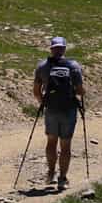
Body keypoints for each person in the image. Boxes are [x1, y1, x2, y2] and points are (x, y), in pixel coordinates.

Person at [33, 37, 84, 191]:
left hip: (51, 109)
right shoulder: (74, 66)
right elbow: (80, 90)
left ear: (51, 48)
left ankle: (50, 173)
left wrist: (44, 102)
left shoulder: (42, 66)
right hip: (68, 109)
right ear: (64, 49)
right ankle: (62, 178)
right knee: (66, 144)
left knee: (51, 142)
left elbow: (36, 91)